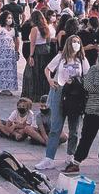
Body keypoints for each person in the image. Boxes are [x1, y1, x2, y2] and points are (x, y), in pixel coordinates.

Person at [64, 45, 99, 177]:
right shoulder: (93, 70)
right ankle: (77, 162)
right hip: (92, 110)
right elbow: (87, 86)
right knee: (86, 137)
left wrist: (97, 88)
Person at [35, 36, 90, 170]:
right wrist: (49, 80)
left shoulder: (82, 59)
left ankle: (70, 154)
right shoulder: (60, 57)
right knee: (56, 127)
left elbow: (88, 75)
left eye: (78, 42)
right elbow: (48, 69)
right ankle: (49, 158)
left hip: (75, 95)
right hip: (59, 91)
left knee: (74, 129)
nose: (76, 44)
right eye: (73, 41)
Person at [26, 10, 56, 102]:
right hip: (45, 51)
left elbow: (33, 43)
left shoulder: (34, 29)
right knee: (43, 74)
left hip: (37, 52)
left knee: (34, 74)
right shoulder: (46, 27)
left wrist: (31, 56)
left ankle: (35, 94)